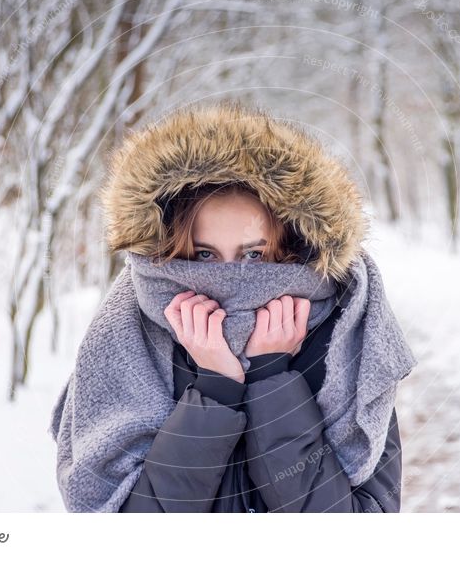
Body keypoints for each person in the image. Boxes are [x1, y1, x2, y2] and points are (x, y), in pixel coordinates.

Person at [49, 100, 416, 513]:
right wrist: (216, 390)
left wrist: (272, 381)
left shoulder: (343, 332)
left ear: (291, 247)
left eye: (254, 256)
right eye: (204, 256)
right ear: (168, 250)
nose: (230, 277)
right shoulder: (130, 332)